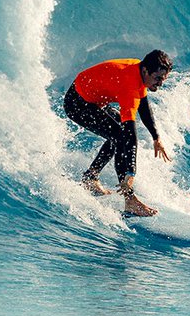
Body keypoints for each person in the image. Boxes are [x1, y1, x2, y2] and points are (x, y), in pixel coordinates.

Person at [63, 49, 173, 217]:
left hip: (93, 100)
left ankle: (90, 178)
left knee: (118, 134)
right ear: (145, 71)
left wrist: (156, 137)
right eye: (157, 78)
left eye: (163, 79)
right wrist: (130, 173)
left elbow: (144, 107)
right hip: (77, 103)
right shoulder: (129, 83)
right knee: (120, 136)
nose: (160, 84)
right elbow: (130, 135)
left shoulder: (140, 72)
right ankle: (129, 200)